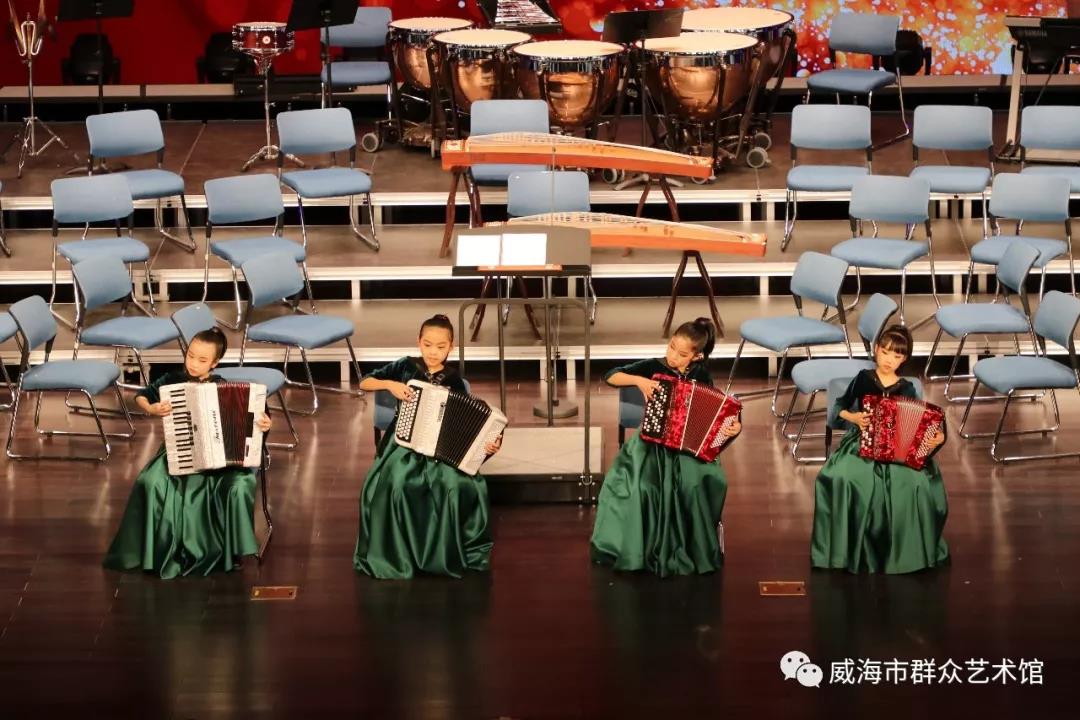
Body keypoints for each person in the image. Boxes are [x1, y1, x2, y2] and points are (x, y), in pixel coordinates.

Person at [104, 327, 272, 578]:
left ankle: (218, 551)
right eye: (190, 355)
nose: (193, 363)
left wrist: (264, 424)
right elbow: (142, 396)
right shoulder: (172, 380)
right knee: (150, 481)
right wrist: (151, 408)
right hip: (177, 449)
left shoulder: (223, 387)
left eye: (202, 360)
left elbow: (255, 423)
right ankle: (158, 550)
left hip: (219, 460)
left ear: (214, 363)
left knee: (233, 485)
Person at [590, 318, 740, 577]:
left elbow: (716, 415)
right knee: (641, 487)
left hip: (687, 448)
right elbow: (611, 375)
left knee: (697, 483)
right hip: (651, 443)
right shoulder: (653, 366)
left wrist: (734, 427)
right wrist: (639, 381)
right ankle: (639, 548)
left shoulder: (702, 375)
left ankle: (691, 547)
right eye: (671, 347)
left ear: (696, 356)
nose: (672, 356)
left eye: (681, 354)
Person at [354, 314, 499, 579]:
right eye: (427, 345)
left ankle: (437, 552)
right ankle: (397, 553)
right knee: (397, 483)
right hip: (402, 443)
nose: (433, 352)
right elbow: (364, 381)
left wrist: (488, 446)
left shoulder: (454, 380)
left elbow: (465, 425)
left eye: (441, 347)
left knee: (454, 486)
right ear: (418, 342)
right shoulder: (405, 366)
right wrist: (390, 385)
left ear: (451, 347)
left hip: (439, 450)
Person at [811, 324, 949, 574]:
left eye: (896, 356)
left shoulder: (907, 388)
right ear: (876, 350)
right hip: (861, 441)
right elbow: (839, 406)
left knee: (914, 483)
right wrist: (853, 418)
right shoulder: (863, 378)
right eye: (884, 352)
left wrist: (937, 438)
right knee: (843, 477)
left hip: (897, 448)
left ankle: (901, 551)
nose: (888, 360)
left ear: (904, 359)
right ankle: (847, 549)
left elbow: (922, 425)